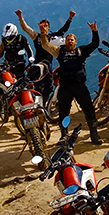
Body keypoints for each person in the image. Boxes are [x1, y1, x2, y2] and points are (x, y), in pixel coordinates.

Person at [15, 10, 102, 144]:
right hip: (65, 87)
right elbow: (46, 45)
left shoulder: (81, 51)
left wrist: (94, 31)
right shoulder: (59, 52)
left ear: (76, 42)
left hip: (80, 86)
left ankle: (94, 135)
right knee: (63, 112)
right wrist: (43, 33)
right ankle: (64, 135)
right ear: (64, 42)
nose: (69, 41)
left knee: (89, 110)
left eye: (72, 39)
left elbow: (95, 44)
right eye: (67, 39)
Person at [24, 11, 75, 102]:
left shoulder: (52, 37)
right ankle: (36, 103)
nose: (44, 27)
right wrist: (20, 17)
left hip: (48, 65)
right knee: (38, 86)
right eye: (42, 26)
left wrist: (70, 19)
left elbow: (63, 30)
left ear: (48, 27)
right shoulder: (36, 36)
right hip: (37, 65)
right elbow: (26, 28)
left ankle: (44, 103)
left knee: (49, 86)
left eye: (46, 26)